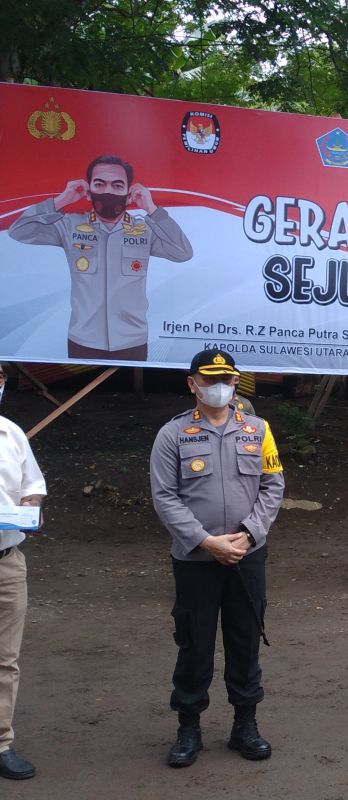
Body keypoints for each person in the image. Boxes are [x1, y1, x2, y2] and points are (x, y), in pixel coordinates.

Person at [149, 348, 284, 768]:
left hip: (247, 556)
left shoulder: (258, 429)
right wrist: (206, 542)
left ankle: (245, 725)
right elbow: (164, 497)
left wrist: (247, 535)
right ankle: (188, 728)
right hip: (196, 560)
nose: (220, 386)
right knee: (194, 643)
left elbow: (273, 484)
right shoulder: (172, 435)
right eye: (209, 380)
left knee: (245, 640)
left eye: (226, 379)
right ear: (192, 384)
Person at [9, 154, 194, 360]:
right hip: (83, 339)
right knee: (84, 391)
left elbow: (183, 252)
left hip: (132, 340)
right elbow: (18, 231)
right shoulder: (69, 225)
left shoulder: (144, 229)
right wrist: (62, 199)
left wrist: (152, 209)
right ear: (89, 192)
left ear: (128, 192)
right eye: (99, 184)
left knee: (129, 392)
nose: (108, 191)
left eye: (117, 186)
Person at [0, 365, 46, 781]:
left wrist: (29, 503)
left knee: (5, 660)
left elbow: (33, 484)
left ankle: (1, 743)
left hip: (6, 562)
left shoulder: (11, 433)